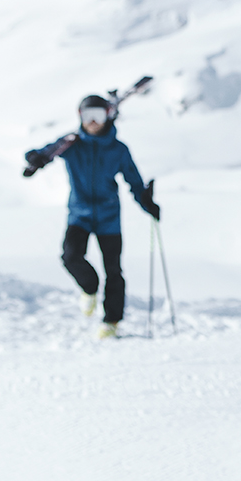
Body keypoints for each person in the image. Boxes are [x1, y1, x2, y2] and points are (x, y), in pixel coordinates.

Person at [25, 94, 160, 339]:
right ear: (80, 117)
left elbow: (134, 180)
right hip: (80, 215)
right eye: (88, 116)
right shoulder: (71, 144)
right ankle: (89, 287)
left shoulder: (118, 149)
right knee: (70, 257)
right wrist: (35, 158)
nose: (93, 122)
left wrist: (146, 202)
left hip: (109, 217)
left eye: (98, 115)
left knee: (114, 270)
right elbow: (46, 153)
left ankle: (111, 321)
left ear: (108, 116)